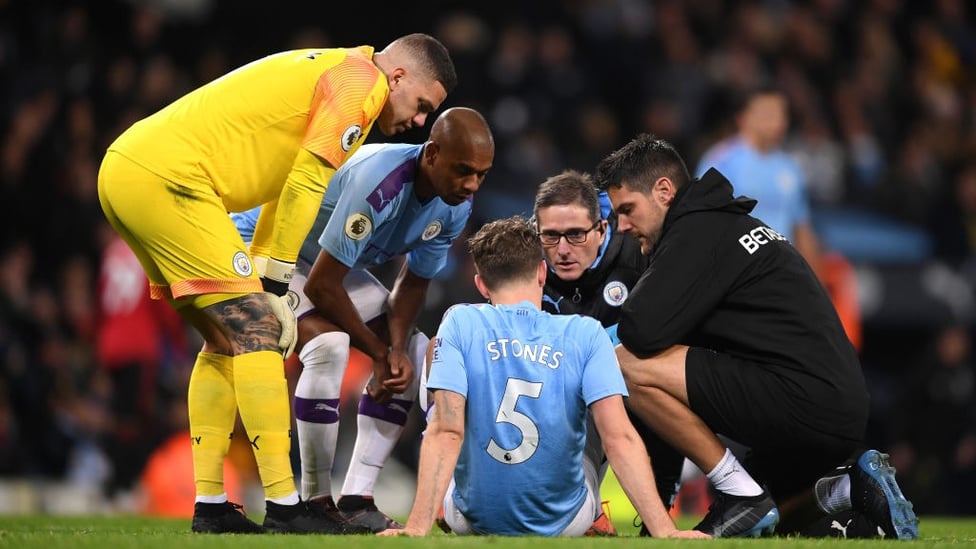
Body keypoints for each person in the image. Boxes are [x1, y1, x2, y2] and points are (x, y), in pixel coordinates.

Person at [96, 33, 457, 534]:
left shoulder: (339, 72)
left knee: (223, 341)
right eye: (421, 105)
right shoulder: (362, 86)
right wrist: (278, 281)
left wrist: (269, 271)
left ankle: (211, 504)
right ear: (396, 77)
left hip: (130, 170)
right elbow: (308, 183)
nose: (420, 122)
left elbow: (282, 189)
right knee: (259, 330)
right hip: (172, 179)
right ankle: (288, 506)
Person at [593, 133, 919, 539]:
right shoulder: (725, 223)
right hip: (836, 408)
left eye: (627, 209)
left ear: (663, 191)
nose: (622, 225)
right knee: (765, 525)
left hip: (798, 398)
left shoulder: (695, 230)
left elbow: (639, 334)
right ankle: (850, 487)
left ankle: (738, 492)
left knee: (622, 362)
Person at [234, 106, 494, 533]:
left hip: (320, 258)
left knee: (411, 351)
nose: (471, 185)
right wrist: (375, 352)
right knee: (328, 347)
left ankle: (356, 499)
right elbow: (322, 287)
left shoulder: (456, 204)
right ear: (431, 154)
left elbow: (413, 281)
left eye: (481, 175)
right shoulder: (382, 182)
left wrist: (390, 351)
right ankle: (314, 501)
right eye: (464, 170)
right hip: (266, 246)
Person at [379, 216, 710, 539]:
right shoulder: (584, 332)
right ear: (541, 272)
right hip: (568, 522)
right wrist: (665, 530)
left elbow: (446, 432)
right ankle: (595, 516)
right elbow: (619, 439)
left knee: (437, 354)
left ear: (481, 285)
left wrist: (416, 528)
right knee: (599, 405)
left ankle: (439, 507)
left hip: (470, 518)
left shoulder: (460, 321)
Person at [532, 169, 687, 523]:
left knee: (660, 376)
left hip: (633, 385)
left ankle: (663, 500)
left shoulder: (641, 253)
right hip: (557, 399)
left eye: (575, 235)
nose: (563, 250)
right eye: (551, 237)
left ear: (602, 229)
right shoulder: (526, 262)